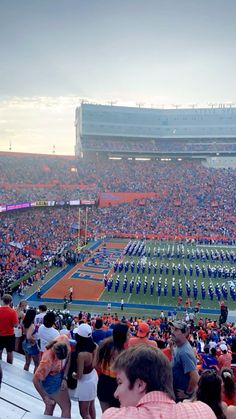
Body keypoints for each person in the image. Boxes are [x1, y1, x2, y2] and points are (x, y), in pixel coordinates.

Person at [101, 345, 216, 419]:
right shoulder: (203, 411)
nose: (116, 393)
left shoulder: (112, 415)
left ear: (140, 385)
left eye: (120, 383)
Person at [33, 334, 71, 418]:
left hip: (58, 375)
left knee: (50, 408)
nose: (61, 360)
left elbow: (69, 357)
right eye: (59, 359)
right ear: (55, 353)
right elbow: (35, 380)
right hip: (51, 381)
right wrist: (45, 397)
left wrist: (65, 377)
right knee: (66, 407)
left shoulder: (64, 339)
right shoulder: (47, 361)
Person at [97, 322, 129, 412]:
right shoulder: (123, 353)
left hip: (103, 382)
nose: (130, 336)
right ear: (123, 336)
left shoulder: (104, 345)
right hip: (116, 385)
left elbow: (96, 364)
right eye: (128, 334)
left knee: (106, 414)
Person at [70, 323, 98, 419]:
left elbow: (79, 375)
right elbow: (94, 365)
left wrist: (73, 375)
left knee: (84, 413)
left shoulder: (82, 355)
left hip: (85, 383)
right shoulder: (95, 346)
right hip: (93, 377)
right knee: (91, 406)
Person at [169, 320, 199, 401]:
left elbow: (195, 377)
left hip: (180, 396)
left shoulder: (184, 352)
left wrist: (187, 394)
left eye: (176, 330)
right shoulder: (179, 346)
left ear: (185, 333)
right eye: (172, 329)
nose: (172, 332)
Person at [0, 294, 18, 364]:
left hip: (0, 334)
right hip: (9, 335)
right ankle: (10, 366)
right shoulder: (13, 311)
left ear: (2, 301)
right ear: (10, 302)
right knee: (10, 352)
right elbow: (15, 325)